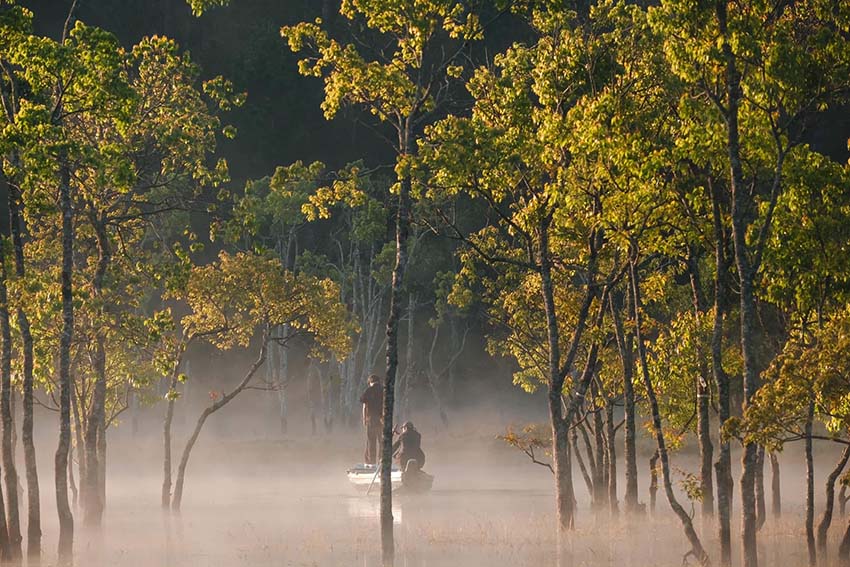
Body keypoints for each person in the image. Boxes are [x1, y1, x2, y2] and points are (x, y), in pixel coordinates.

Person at [359, 374, 383, 465]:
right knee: (382, 441)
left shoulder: (368, 391)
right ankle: (382, 462)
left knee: (371, 441)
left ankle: (371, 463)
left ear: (370, 382)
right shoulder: (384, 390)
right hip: (383, 419)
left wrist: (364, 419)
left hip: (371, 419)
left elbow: (365, 406)